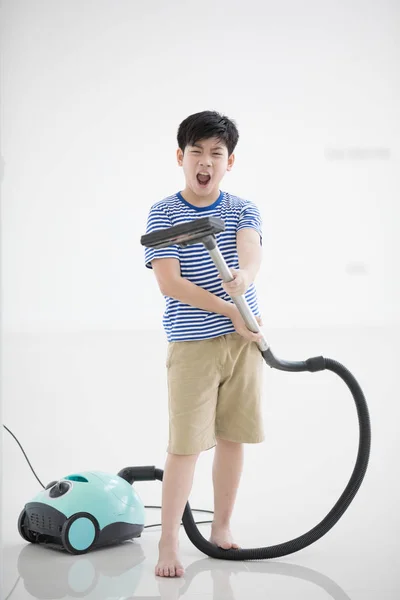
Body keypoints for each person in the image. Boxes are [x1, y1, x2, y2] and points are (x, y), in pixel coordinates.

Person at [144, 110, 265, 577]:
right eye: (197, 151)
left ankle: (222, 528)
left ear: (229, 162)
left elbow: (251, 249)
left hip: (245, 343)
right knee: (185, 446)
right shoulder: (165, 212)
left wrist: (244, 278)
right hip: (193, 346)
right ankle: (168, 543)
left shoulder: (241, 208)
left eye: (217, 153)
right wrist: (229, 310)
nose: (206, 161)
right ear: (181, 156)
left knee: (233, 438)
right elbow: (170, 284)